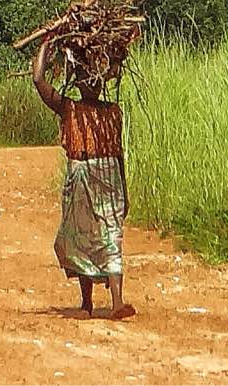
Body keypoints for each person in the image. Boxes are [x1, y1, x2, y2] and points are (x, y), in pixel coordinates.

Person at [32, 28, 134, 318]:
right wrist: (47, 43)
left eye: (95, 78)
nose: (91, 84)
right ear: (78, 82)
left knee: (110, 236)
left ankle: (116, 303)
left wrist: (123, 191)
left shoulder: (112, 112)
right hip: (84, 177)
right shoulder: (70, 109)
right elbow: (38, 80)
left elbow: (118, 153)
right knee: (82, 237)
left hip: (108, 177)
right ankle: (87, 304)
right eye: (86, 78)